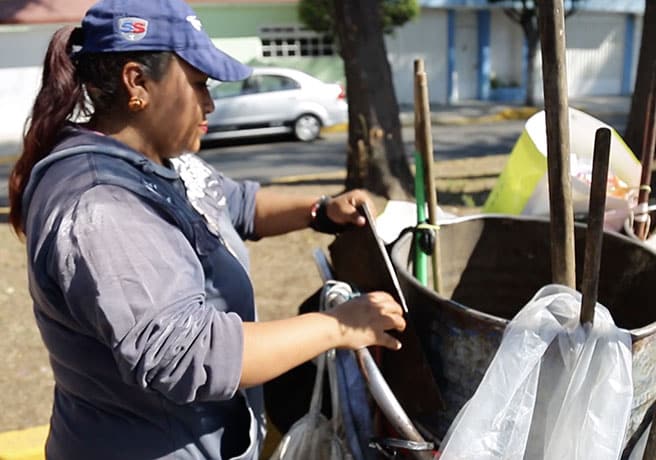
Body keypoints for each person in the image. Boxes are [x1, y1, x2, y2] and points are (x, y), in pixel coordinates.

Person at [7, 1, 406, 459]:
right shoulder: (104, 204)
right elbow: (190, 355)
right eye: (199, 85)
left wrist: (320, 210)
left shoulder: (158, 159)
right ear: (137, 82)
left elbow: (233, 203)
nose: (211, 103)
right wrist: (339, 325)